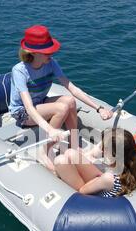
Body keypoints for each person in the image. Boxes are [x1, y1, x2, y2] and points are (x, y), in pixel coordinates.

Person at [9, 25, 113, 171]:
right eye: (47, 52)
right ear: (33, 52)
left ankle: (74, 145)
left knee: (70, 101)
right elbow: (28, 107)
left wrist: (99, 108)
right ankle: (44, 151)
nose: (51, 54)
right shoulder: (20, 71)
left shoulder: (51, 63)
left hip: (40, 103)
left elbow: (72, 88)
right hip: (22, 112)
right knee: (62, 107)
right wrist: (50, 130)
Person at [54, 128, 136, 197]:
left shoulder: (108, 178)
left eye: (104, 148)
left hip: (93, 194)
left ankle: (54, 172)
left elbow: (82, 191)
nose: (102, 151)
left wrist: (92, 176)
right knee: (71, 153)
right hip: (105, 182)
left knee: (60, 161)